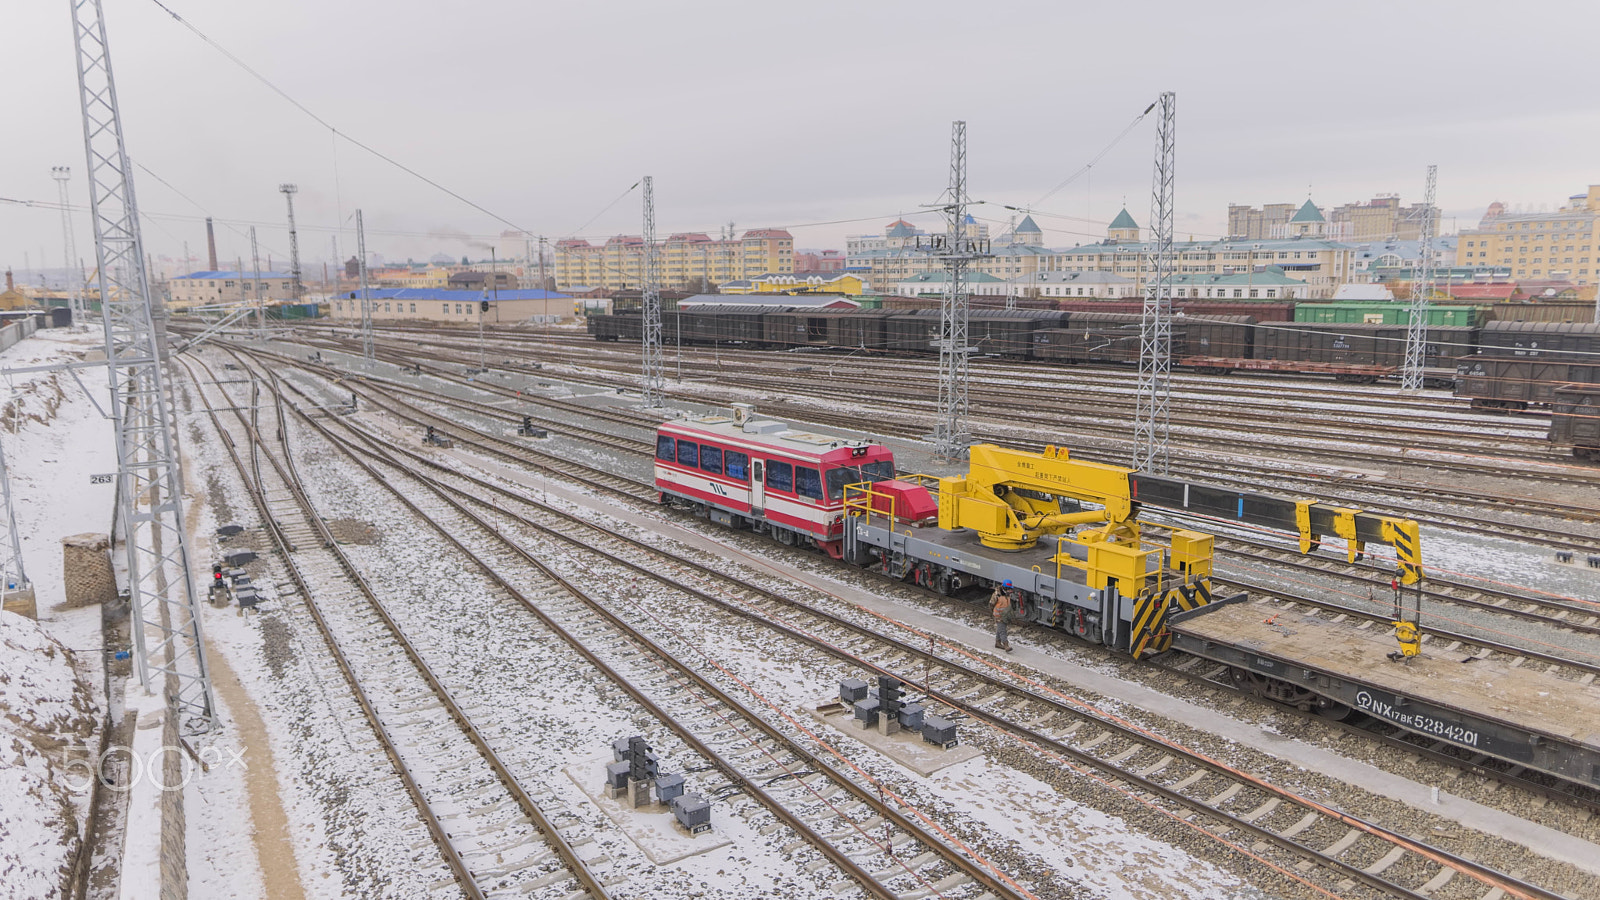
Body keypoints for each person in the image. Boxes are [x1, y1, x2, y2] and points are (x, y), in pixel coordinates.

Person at [991, 580, 1015, 652]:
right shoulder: (996, 594)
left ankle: (997, 643)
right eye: (1008, 588)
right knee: (1003, 630)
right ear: (1004, 587)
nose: (1009, 590)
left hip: (1005, 615)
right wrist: (995, 613)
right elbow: (991, 604)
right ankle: (1006, 645)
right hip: (999, 615)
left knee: (1000, 628)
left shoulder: (1007, 594)